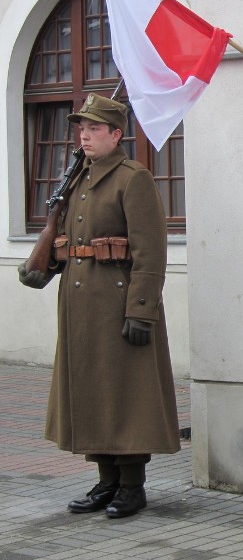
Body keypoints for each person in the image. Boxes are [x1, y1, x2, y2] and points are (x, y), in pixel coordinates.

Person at [18, 92, 180, 518]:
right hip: (78, 305)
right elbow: (69, 239)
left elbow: (151, 250)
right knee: (92, 394)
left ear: (115, 134)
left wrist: (141, 309)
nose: (85, 136)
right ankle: (106, 481)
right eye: (81, 129)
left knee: (124, 396)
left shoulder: (133, 178)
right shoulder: (76, 179)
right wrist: (46, 261)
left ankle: (131, 486)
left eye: (93, 129)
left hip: (118, 303)